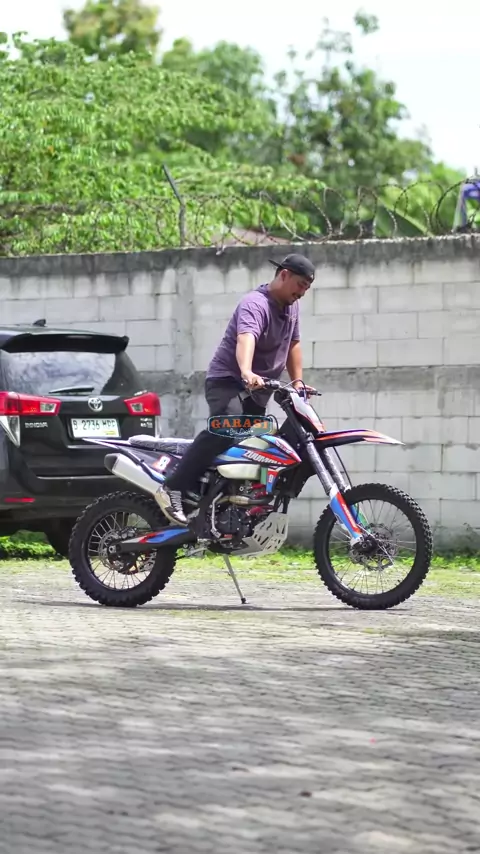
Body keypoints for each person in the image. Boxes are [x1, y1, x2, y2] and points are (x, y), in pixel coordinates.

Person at [156, 253, 316, 525]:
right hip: (228, 381)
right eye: (300, 285)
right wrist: (246, 371)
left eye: (307, 288)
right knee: (226, 429)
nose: (302, 292)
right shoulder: (255, 303)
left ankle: (228, 505)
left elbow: (294, 344)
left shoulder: (292, 308)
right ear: (284, 275)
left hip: (259, 391)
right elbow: (246, 338)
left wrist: (297, 381)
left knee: (260, 444)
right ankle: (174, 487)